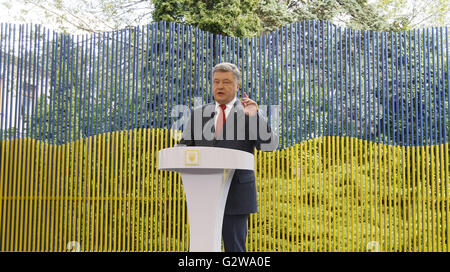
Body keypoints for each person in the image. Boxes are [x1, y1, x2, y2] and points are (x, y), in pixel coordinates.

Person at [178, 62, 278, 252]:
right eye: (216, 82)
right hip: (203, 194)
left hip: (236, 195)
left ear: (237, 86)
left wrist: (254, 116)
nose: (220, 86)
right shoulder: (199, 114)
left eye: (226, 82)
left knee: (236, 251)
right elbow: (185, 146)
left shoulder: (251, 112)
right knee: (200, 249)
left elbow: (269, 146)